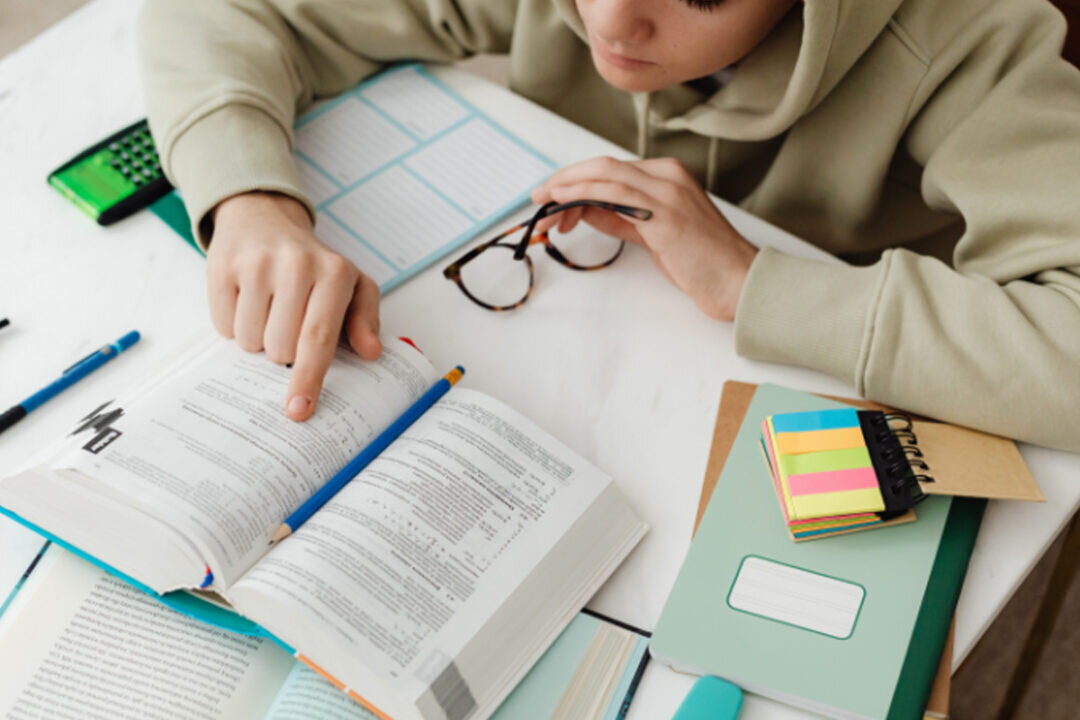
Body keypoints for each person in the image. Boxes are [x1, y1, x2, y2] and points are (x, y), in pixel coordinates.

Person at [138, 0, 1080, 451]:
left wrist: (754, 281)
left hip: (837, 415)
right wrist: (248, 200)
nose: (615, 23)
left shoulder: (973, 38)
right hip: (572, 370)